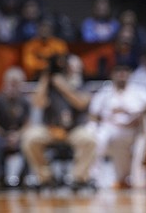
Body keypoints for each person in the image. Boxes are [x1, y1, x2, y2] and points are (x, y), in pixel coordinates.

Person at [20, 53, 96, 190]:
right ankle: (46, 178)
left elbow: (81, 103)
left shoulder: (81, 83)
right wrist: (45, 77)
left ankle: (78, 178)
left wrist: (61, 84)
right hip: (50, 129)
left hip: (73, 129)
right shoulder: (48, 84)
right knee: (30, 138)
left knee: (89, 140)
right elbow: (37, 103)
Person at [87, 64, 146, 188]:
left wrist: (139, 113)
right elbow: (93, 113)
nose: (121, 75)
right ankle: (92, 177)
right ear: (112, 75)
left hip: (133, 130)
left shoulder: (138, 91)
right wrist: (93, 127)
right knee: (97, 140)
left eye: (125, 72)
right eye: (118, 72)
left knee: (125, 166)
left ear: (129, 74)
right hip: (110, 128)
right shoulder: (105, 92)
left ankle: (130, 179)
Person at [0, 66, 30, 188]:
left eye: (17, 84)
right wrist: (6, 136)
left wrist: (17, 135)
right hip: (0, 135)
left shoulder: (25, 102)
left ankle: (26, 177)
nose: (13, 87)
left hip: (17, 137)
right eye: (11, 83)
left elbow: (27, 124)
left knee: (30, 141)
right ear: (5, 83)